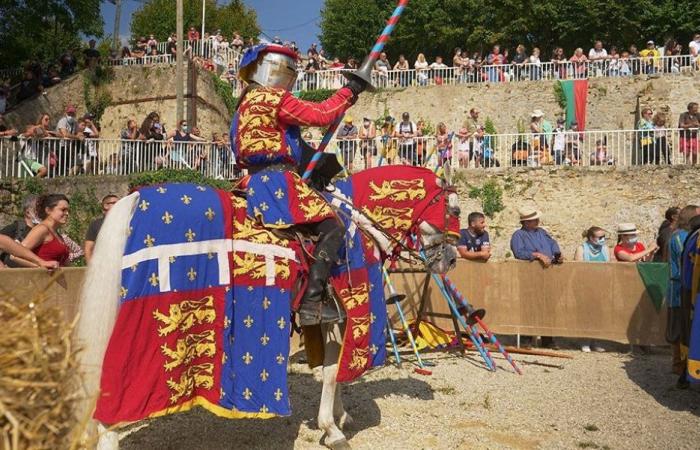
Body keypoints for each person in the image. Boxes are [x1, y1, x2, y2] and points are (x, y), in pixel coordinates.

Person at [230, 43, 367, 325]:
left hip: (251, 180)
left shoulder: (244, 103)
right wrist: (350, 91)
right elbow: (321, 115)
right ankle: (312, 303)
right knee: (333, 228)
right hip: (276, 182)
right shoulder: (272, 98)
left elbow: (277, 142)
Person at [510, 208, 562, 349]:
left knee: (548, 306)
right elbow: (519, 252)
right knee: (529, 306)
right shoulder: (518, 235)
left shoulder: (542, 232)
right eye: (534, 219)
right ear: (526, 222)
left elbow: (552, 244)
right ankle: (527, 339)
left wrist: (558, 254)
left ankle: (547, 339)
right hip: (529, 277)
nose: (537, 221)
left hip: (547, 275)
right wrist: (537, 255)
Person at [667, 205, 700, 378]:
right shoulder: (680, 237)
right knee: (678, 327)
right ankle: (678, 365)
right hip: (679, 289)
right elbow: (687, 263)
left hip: (685, 289)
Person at [10, 194, 71, 267]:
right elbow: (15, 255)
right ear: (48, 210)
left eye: (68, 210)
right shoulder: (42, 229)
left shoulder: (57, 234)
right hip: (40, 277)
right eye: (63, 210)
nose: (67, 214)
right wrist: (39, 266)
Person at [0, 195, 39, 266]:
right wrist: (2, 268)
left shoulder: (42, 231)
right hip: (12, 275)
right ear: (28, 213)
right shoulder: (16, 228)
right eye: (38, 209)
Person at [84, 194, 120, 263]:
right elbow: (88, 248)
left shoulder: (125, 223)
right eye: (115, 203)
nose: (119, 205)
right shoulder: (95, 225)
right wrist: (91, 267)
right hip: (102, 265)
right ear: (105, 206)